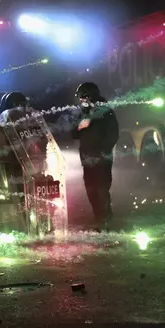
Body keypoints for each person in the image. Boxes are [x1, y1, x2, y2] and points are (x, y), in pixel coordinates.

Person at [71, 83, 119, 232]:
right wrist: (79, 127)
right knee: (90, 189)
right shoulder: (84, 112)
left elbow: (113, 134)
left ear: (89, 95)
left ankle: (105, 219)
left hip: (101, 158)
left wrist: (102, 151)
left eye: (82, 97)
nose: (80, 100)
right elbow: (73, 133)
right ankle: (98, 218)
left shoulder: (105, 111)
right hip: (87, 158)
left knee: (101, 188)